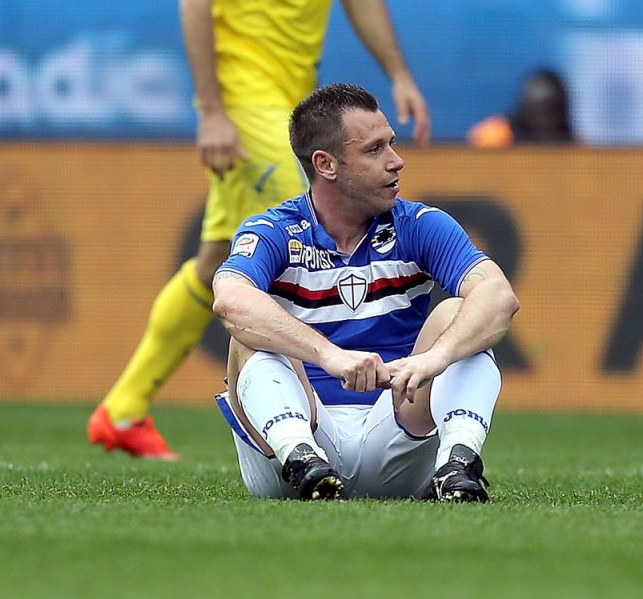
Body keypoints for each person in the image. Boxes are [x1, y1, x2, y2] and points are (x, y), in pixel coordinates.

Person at [88, 0, 431, 460]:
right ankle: (315, 415)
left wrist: (401, 74)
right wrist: (212, 111)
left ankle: (123, 409)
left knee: (216, 261)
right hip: (245, 102)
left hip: (292, 100)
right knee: (307, 228)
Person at [211, 83, 519, 502]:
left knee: (461, 316)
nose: (397, 161)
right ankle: (301, 456)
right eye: (374, 151)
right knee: (246, 334)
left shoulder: (420, 224)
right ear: (326, 164)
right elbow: (229, 300)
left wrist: (434, 358)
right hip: (292, 448)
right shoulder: (276, 231)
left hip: (397, 435)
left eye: (391, 144)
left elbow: (500, 297)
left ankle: (457, 465)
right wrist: (329, 356)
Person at [467, 69, 574, 148]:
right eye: (539, 113)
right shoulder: (496, 136)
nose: (544, 121)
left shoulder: (573, 147)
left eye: (551, 112)